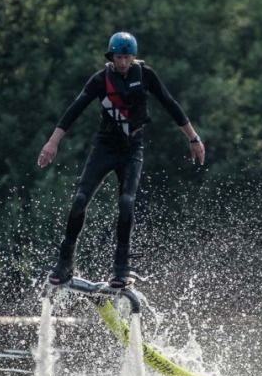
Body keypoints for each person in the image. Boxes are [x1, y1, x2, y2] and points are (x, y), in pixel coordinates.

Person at [37, 32, 205, 287]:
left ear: (133, 57)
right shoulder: (100, 79)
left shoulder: (146, 75)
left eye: (127, 57)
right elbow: (75, 108)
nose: (123, 62)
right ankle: (64, 263)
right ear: (111, 57)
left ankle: (121, 269)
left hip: (131, 151)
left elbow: (170, 104)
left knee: (126, 202)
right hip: (104, 148)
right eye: (118, 57)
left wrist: (193, 138)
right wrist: (53, 142)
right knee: (80, 199)